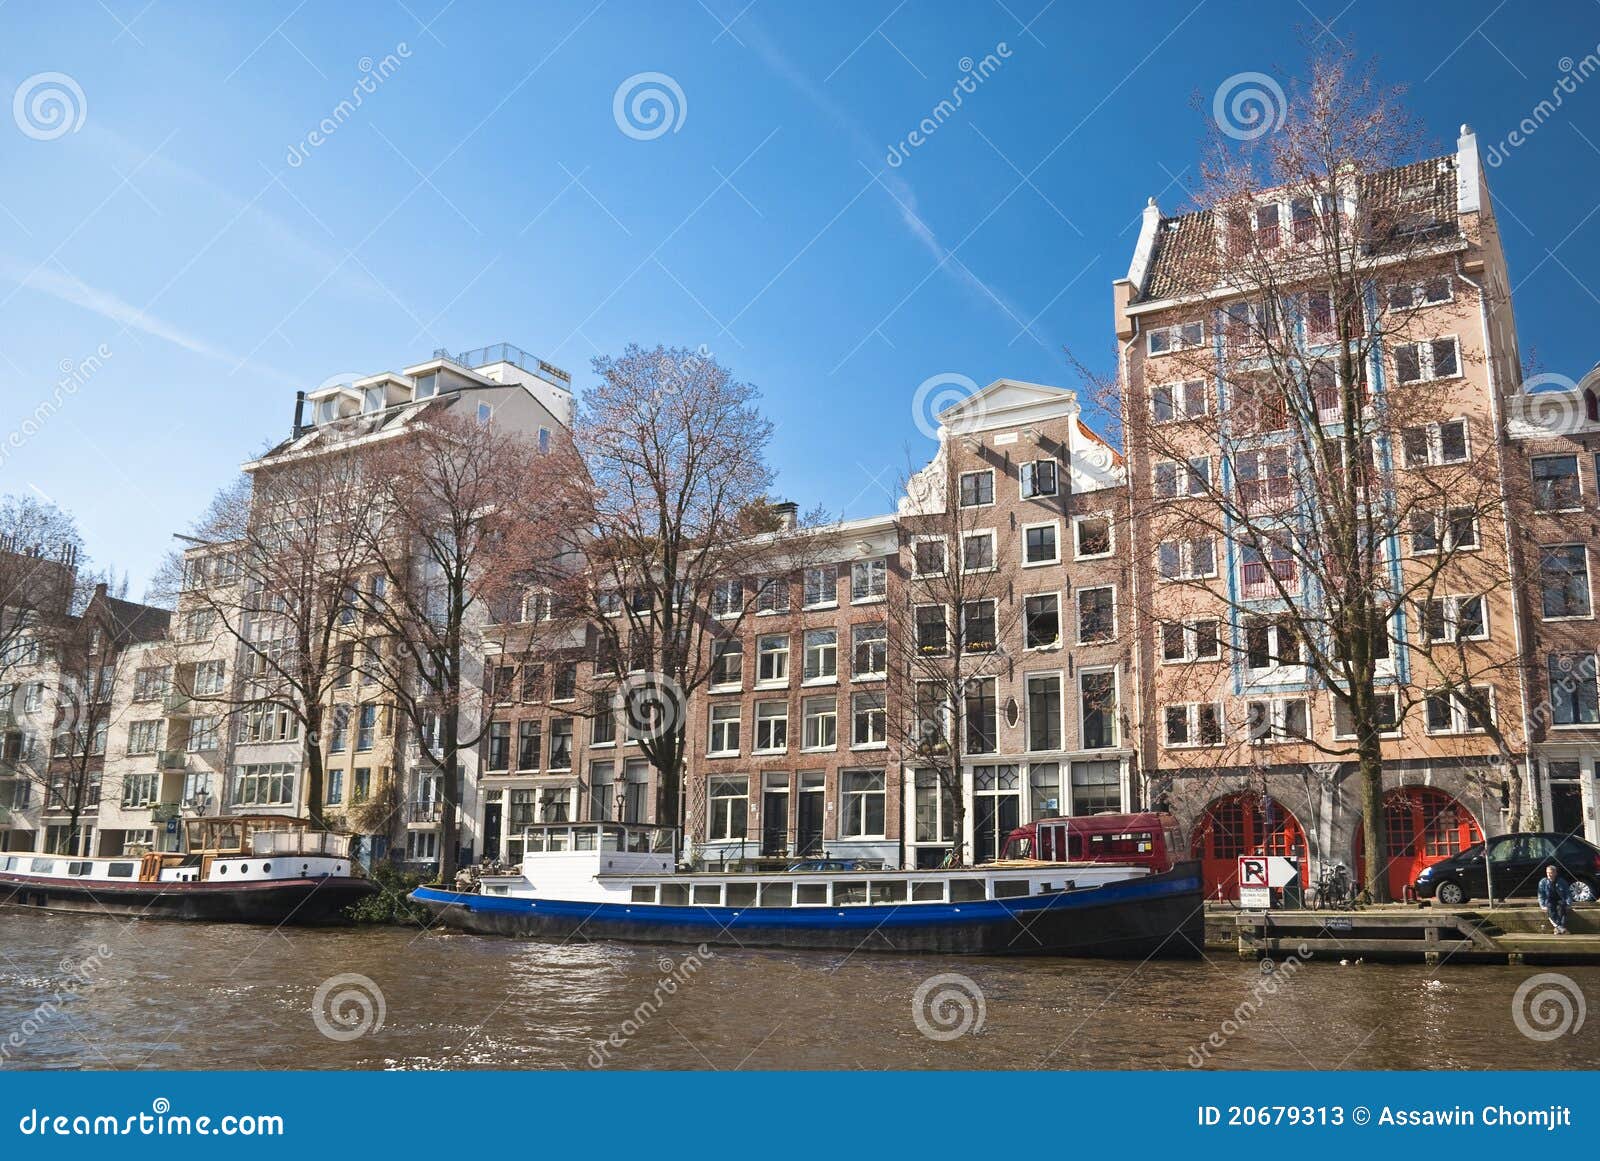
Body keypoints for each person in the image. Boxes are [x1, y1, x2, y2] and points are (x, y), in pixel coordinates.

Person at [1538, 865, 1571, 935]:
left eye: (1551, 873)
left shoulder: (1561, 881)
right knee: (1550, 909)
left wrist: (1568, 903)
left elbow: (1567, 893)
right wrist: (1542, 905)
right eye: (1547, 873)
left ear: (1555, 873)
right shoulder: (1543, 882)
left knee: (1562, 907)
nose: (1549, 875)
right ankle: (1560, 927)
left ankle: (1558, 928)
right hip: (1549, 900)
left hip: (1560, 899)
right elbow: (1541, 895)